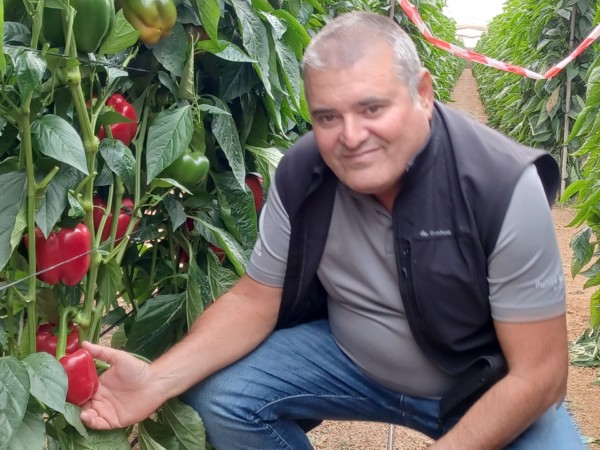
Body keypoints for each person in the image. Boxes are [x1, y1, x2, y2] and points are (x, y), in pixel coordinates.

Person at [79, 11, 585, 449]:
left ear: (423, 94)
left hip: (476, 385)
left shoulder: (500, 186)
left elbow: (540, 375)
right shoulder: (303, 174)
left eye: (372, 108)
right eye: (327, 117)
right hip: (350, 362)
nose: (351, 136)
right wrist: (156, 379)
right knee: (225, 397)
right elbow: (254, 300)